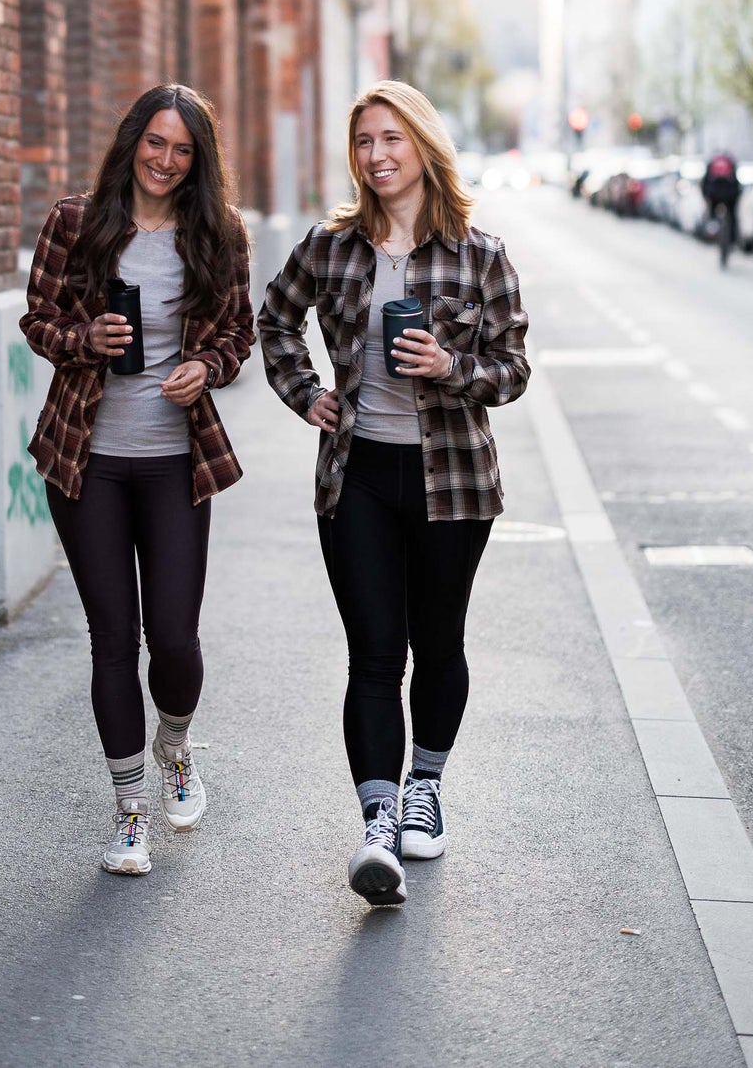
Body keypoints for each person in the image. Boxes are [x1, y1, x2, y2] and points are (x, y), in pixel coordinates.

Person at [258, 81, 530, 907]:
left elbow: (512, 369)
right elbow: (274, 319)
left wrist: (452, 369)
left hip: (454, 484)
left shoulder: (479, 254)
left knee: (437, 642)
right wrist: (307, 393)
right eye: (365, 141)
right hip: (359, 477)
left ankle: (426, 787)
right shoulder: (332, 246)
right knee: (375, 654)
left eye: (391, 138)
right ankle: (378, 824)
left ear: (422, 144)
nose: (377, 155)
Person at [21, 84, 254, 877]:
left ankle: (176, 744)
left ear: (199, 161)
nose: (165, 159)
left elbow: (238, 335)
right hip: (85, 459)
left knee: (176, 639)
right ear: (132, 142)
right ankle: (129, 812)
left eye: (182, 149)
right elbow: (38, 321)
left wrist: (205, 365)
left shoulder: (219, 234)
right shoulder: (75, 221)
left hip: (174, 463)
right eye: (155, 142)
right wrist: (84, 336)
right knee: (113, 640)